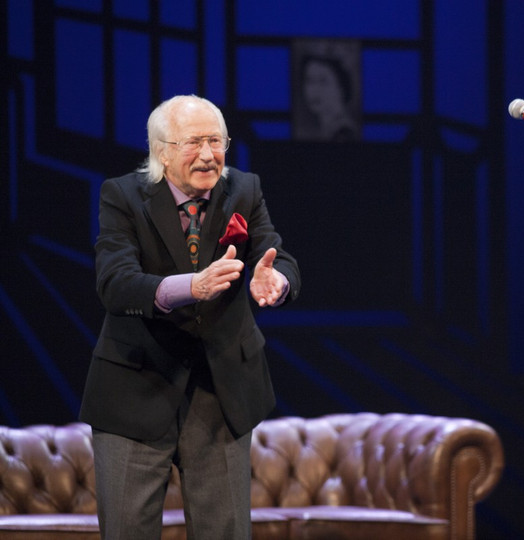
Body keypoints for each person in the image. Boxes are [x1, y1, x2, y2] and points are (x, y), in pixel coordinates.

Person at [79, 95, 301, 539]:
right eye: (193, 142)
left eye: (216, 141)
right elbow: (115, 283)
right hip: (136, 387)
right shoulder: (122, 196)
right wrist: (190, 287)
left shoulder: (244, 189)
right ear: (161, 151)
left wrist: (275, 280)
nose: (208, 154)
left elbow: (277, 256)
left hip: (222, 390)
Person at [298, 54, 359, 141]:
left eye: (323, 81)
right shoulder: (324, 130)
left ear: (341, 87)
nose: (314, 90)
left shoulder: (344, 134)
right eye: (310, 80)